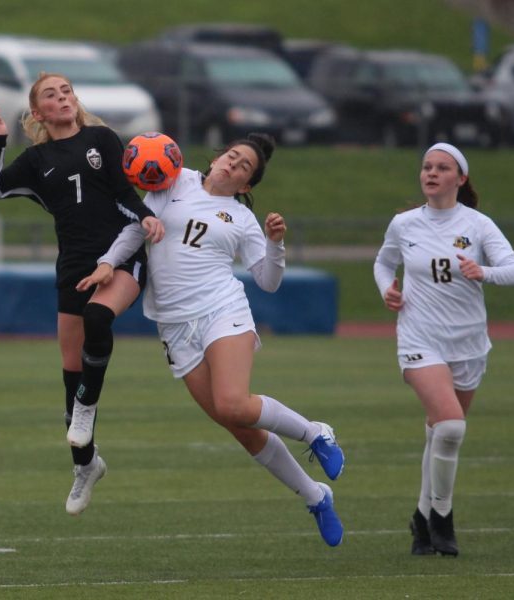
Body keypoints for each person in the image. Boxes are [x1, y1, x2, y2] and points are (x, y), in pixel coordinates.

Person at [83, 133, 346, 546]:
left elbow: (268, 281)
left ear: (246, 185)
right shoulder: (173, 180)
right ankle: (315, 496)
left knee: (232, 402)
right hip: (173, 325)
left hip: (223, 310)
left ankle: (315, 432)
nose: (232, 165)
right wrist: (106, 263)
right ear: (219, 156)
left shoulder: (241, 218)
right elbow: (135, 230)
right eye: (232, 156)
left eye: (243, 167)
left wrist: (275, 245)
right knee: (238, 425)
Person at [0, 72, 163, 517]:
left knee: (99, 318)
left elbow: (123, 191)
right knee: (70, 373)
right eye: (50, 95)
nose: (61, 98)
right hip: (74, 265)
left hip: (121, 253)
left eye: (66, 91)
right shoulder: (36, 159)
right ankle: (86, 466)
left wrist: (146, 217)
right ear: (38, 112)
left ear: (75, 100)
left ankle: (87, 410)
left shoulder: (103, 137)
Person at [373, 143, 514, 556]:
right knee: (451, 426)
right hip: (419, 336)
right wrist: (387, 290)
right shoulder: (404, 224)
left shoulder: (478, 225)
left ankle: (422, 520)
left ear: (460, 178)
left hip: (469, 341)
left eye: (442, 168)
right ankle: (442, 518)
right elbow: (383, 263)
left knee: (440, 432)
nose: (431, 173)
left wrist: (485, 272)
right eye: (426, 166)